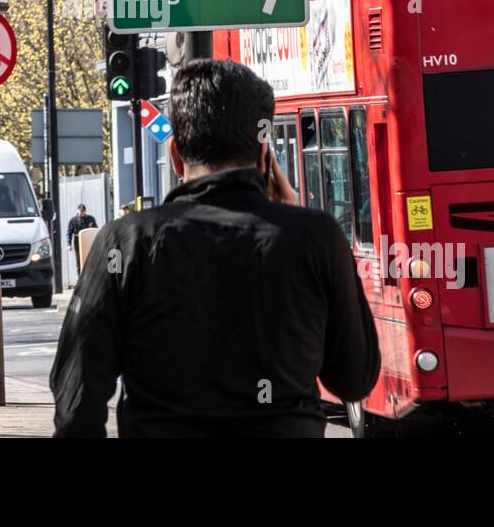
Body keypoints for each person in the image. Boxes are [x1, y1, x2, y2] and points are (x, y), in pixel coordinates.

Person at [51, 59, 380, 437]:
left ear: (175, 155)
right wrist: (297, 226)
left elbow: (76, 404)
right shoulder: (315, 238)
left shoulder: (124, 243)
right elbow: (355, 379)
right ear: (263, 158)